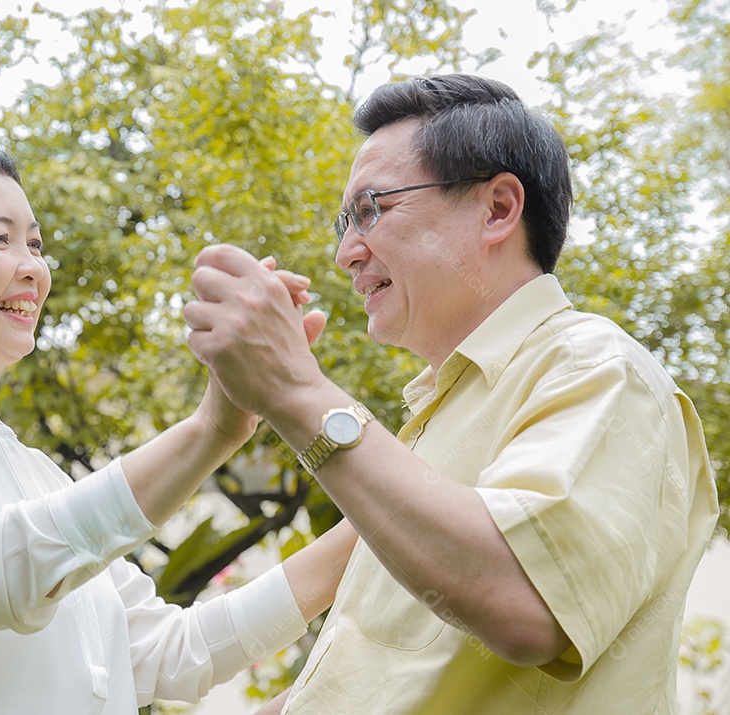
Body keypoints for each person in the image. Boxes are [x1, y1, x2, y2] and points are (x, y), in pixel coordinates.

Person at [184, 73, 719, 714]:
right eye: (343, 221)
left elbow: (526, 604)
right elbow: (368, 682)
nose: (345, 253)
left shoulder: (597, 368)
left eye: (371, 210)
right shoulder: (438, 416)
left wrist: (293, 388)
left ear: (497, 209)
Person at [0, 137, 358, 714]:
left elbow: (170, 652)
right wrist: (209, 431)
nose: (33, 268)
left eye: (35, 244)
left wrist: (374, 522)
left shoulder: (42, 477)